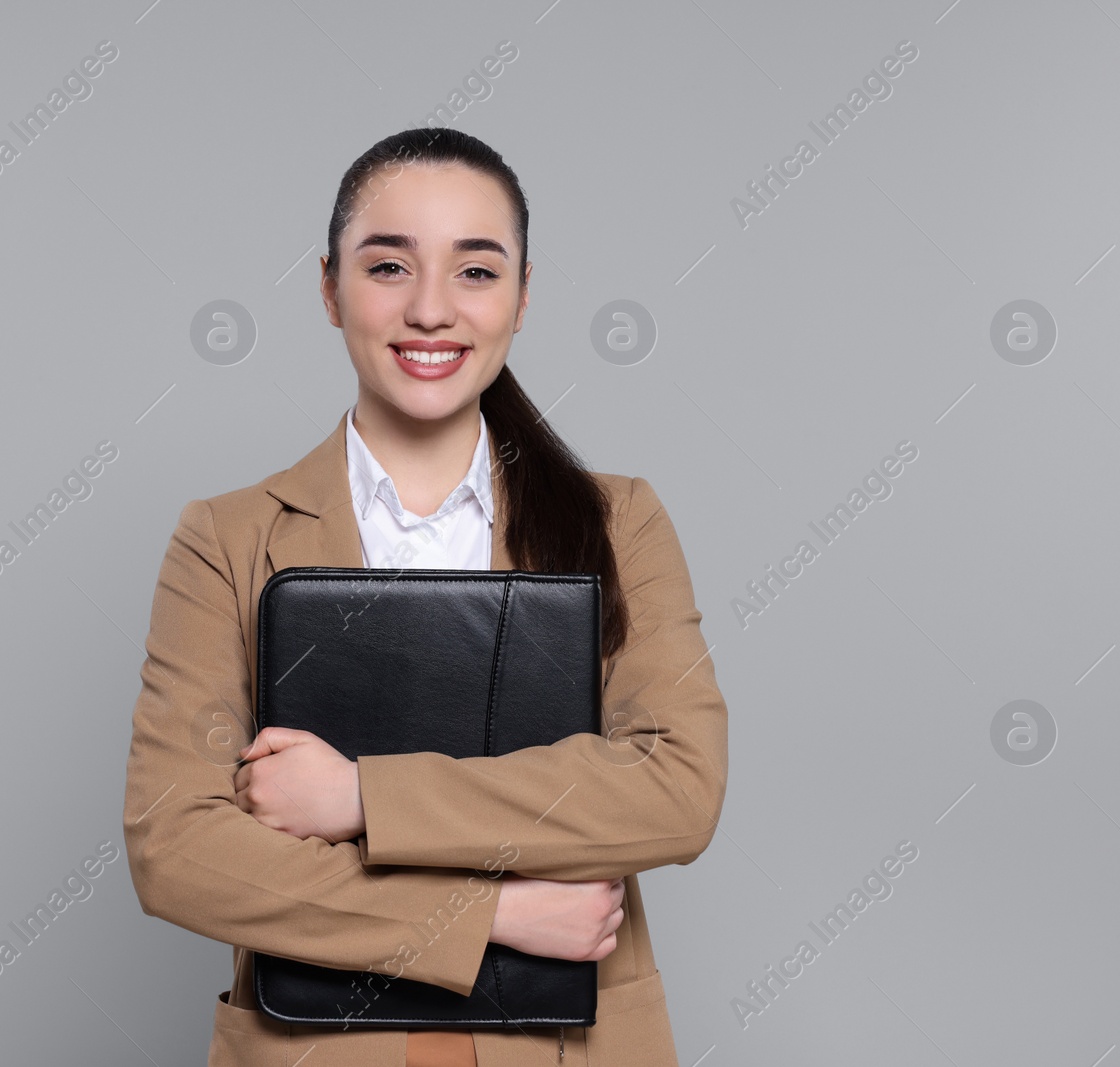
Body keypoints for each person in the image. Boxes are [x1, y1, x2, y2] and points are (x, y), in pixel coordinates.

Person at [122, 127, 729, 1067]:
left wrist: (362, 794)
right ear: (329, 288)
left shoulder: (622, 523)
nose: (432, 309)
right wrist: (492, 915)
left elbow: (674, 791)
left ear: (524, 296)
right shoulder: (228, 539)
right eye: (389, 266)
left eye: (477, 272)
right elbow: (178, 848)